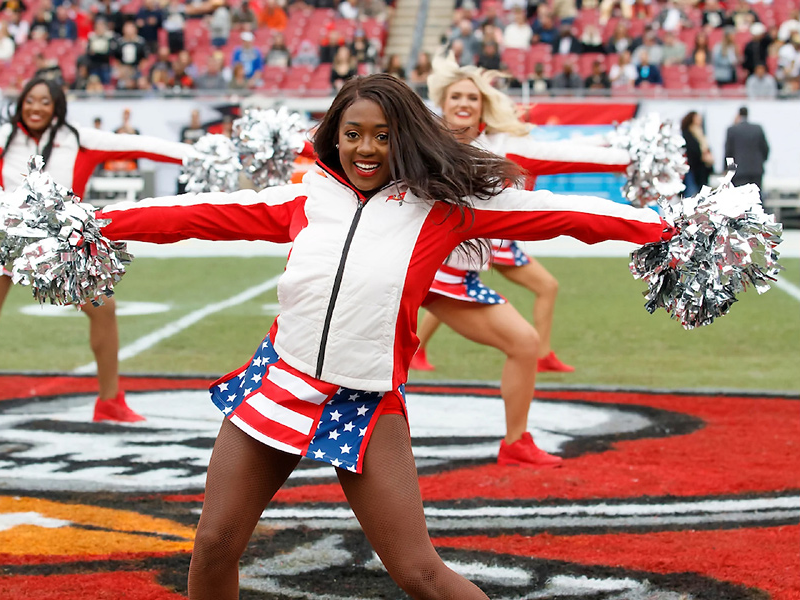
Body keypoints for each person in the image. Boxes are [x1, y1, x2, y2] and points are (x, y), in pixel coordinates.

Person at [73, 73, 669, 599]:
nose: (366, 147)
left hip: (365, 399)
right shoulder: (304, 199)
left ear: (403, 138)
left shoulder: (445, 209)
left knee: (419, 573)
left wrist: (664, 228)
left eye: (383, 135)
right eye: (354, 132)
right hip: (279, 384)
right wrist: (87, 221)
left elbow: (567, 215)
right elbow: (194, 215)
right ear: (334, 135)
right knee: (213, 546)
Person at [0, 78, 196, 423]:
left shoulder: (82, 140)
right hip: (3, 246)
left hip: (62, 252)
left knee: (104, 312)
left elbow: (140, 145)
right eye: (29, 100)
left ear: (56, 105)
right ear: (20, 104)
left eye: (44, 101)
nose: (36, 108)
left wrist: (192, 155)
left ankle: (110, 401)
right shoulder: (2, 141)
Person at [413, 55, 636, 466]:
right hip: (410, 268)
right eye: (456, 96)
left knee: (525, 343)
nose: (464, 103)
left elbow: (570, 155)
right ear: (442, 102)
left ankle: (516, 442)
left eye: (473, 98)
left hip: (449, 274)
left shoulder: (504, 147)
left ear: (483, 107)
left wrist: (631, 158)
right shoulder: (420, 141)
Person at [724, 106, 769, 192]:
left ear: (738, 114)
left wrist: (729, 170)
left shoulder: (732, 130)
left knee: (741, 199)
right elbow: (765, 148)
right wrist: (760, 161)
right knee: (756, 197)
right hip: (756, 170)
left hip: (739, 171)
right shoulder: (758, 129)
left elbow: (729, 152)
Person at [680, 111, 714, 198]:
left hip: (701, 171)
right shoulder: (687, 134)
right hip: (691, 169)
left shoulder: (700, 133)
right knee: (691, 194)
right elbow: (692, 150)